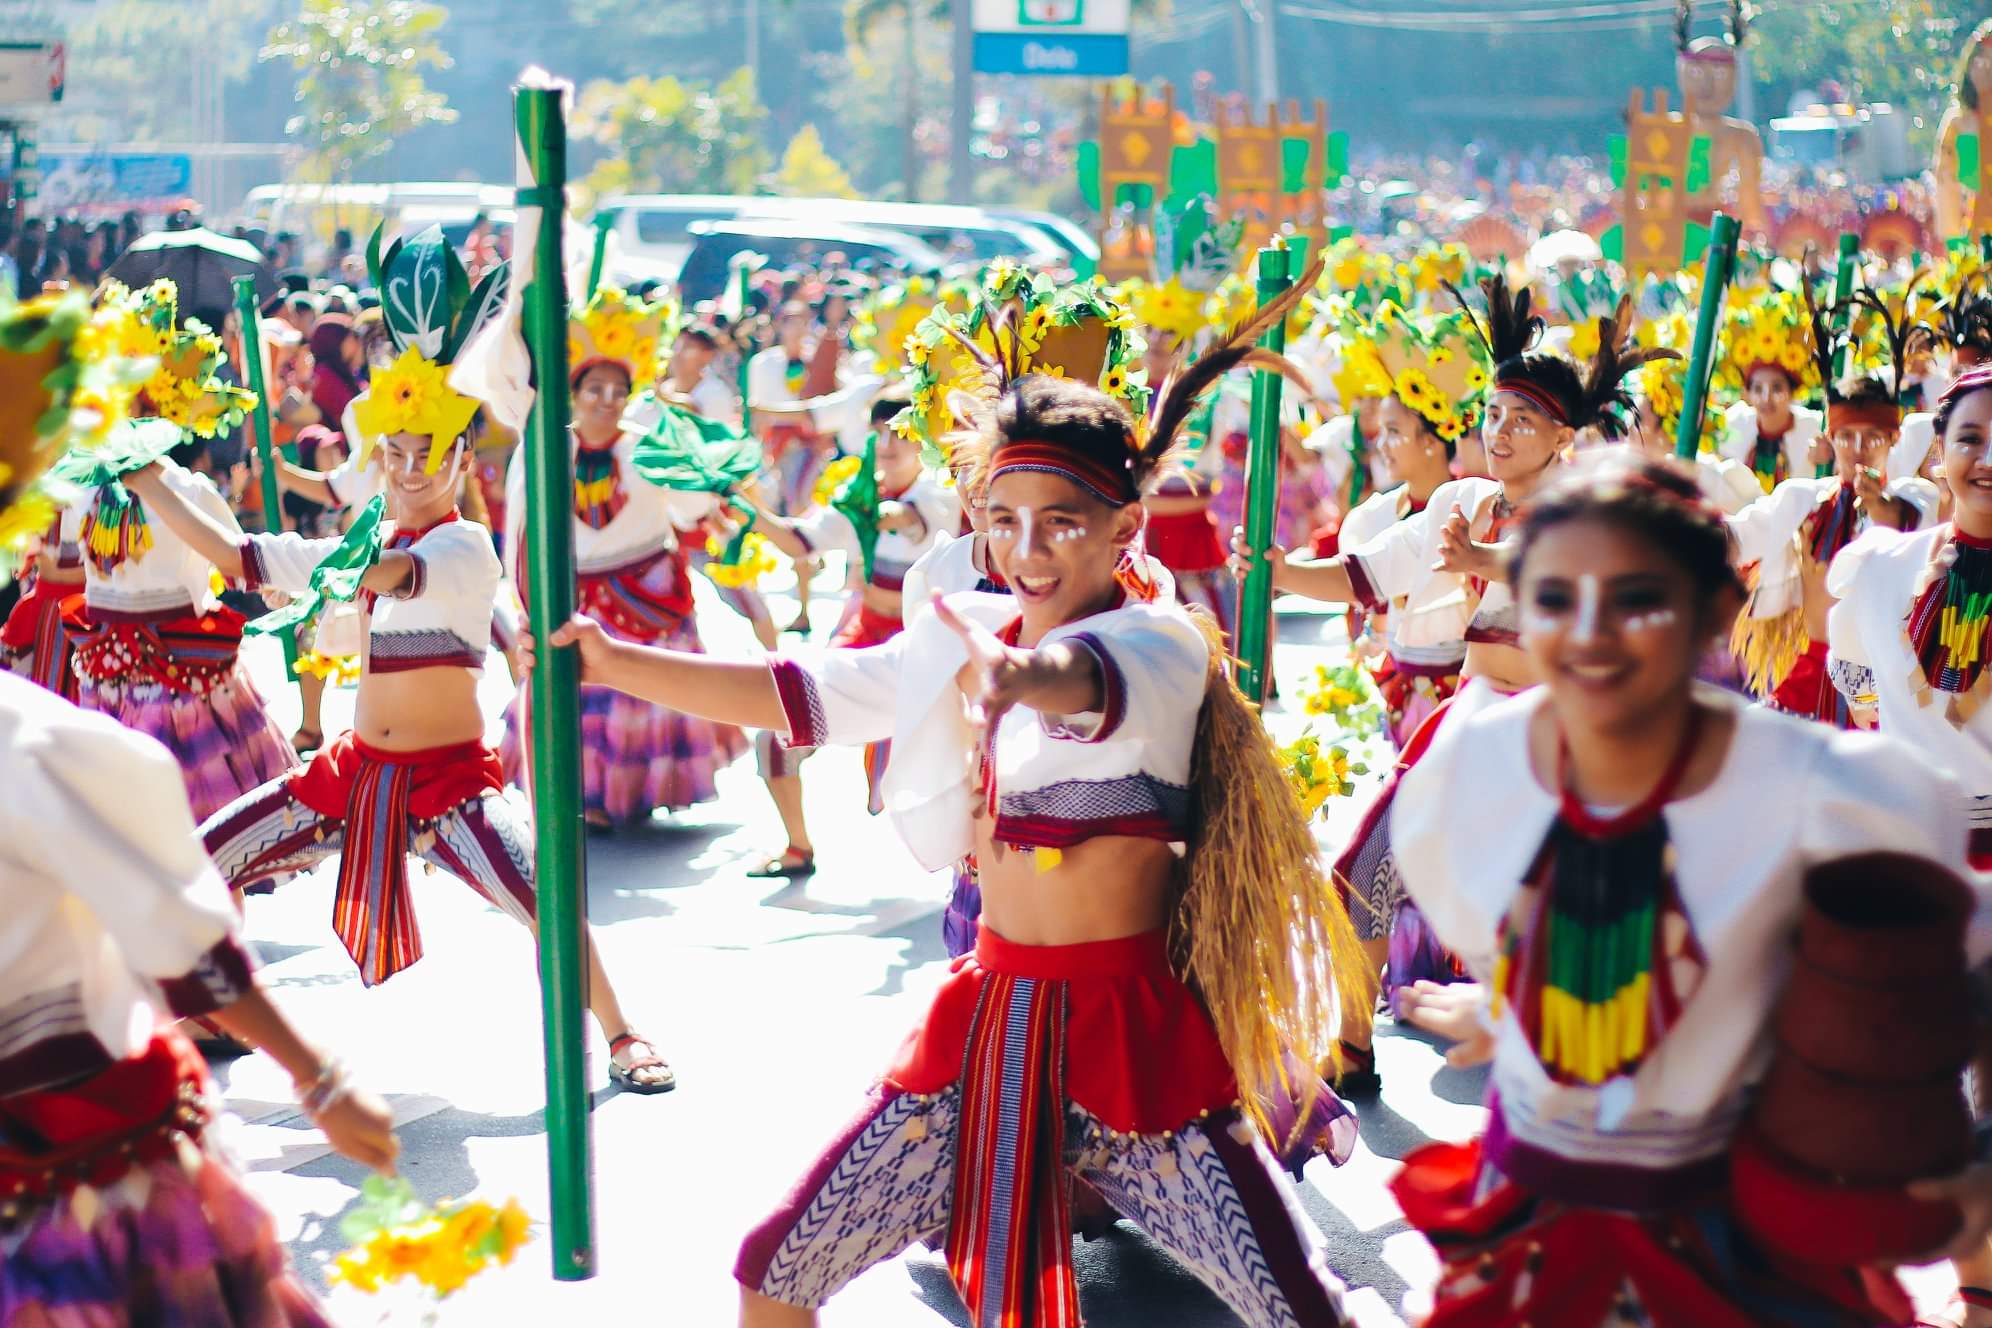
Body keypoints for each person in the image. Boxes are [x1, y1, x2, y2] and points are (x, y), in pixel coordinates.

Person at [526, 345, 1371, 1327]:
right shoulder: (958, 628)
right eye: (1006, 521)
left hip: (1137, 1038)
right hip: (990, 1024)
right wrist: (612, 658)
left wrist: (1016, 678)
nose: (1030, 548)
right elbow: (799, 694)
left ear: (1125, 525)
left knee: (1305, 1306)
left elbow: (1079, 676)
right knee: (775, 1262)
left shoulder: (1161, 641)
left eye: (1064, 521)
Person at [1387, 451, 1984, 1326]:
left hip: (1732, 1246)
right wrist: (1520, 1015)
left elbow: (1970, 961)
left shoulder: (1829, 793)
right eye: (1555, 598)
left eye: (1637, 598)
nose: (1589, 632)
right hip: (1528, 1226)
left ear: (1715, 608)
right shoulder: (1473, 767)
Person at [128, 229, 677, 1096]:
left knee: (547, 902)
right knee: (199, 861)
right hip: (352, 779)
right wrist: (147, 474)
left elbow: (382, 573)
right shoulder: (368, 535)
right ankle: (188, 1016)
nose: (411, 467)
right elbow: (239, 556)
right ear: (376, 457)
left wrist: (344, 562)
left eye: (429, 453)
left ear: (463, 457)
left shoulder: (465, 548)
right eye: (395, 453)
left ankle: (623, 1031)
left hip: (451, 784)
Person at [1236, 279, 1670, 1093]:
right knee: (1365, 868)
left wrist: (1486, 562)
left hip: (1562, 737)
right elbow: (1369, 572)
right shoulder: (1463, 502)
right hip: (1469, 721)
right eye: (1495, 413)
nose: (1500, 431)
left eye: (1524, 419)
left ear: (1565, 438)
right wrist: (1283, 570)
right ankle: (1352, 1043)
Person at [1825, 365, 1992, 1326]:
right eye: (1970, 437)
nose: (1987, 460)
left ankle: (1975, 1298)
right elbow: (1857, 689)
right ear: (1939, 451)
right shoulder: (1879, 567)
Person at [500, 284, 747, 830]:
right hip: (575, 593)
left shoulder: (648, 444)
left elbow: (688, 512)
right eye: (594, 387)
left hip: (647, 587)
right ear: (574, 391)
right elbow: (517, 527)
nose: (606, 399)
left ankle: (644, 789)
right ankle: (586, 798)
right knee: (585, 701)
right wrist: (526, 604)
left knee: (646, 698)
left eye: (617, 389)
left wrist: (704, 483)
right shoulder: (544, 448)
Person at [741, 397, 957, 876]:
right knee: (777, 734)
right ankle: (797, 847)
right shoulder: (860, 496)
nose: (888, 445)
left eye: (902, 434)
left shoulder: (938, 496)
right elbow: (798, 541)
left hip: (935, 655)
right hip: (868, 640)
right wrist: (744, 505)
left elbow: (902, 517)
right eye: (880, 433)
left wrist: (869, 512)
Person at [1726, 284, 1939, 723]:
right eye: (1846, 437)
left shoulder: (1916, 498)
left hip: (1886, 682)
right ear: (1829, 439)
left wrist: (1879, 507)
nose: (1858, 449)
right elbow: (1741, 534)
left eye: (1872, 438)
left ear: (1893, 439)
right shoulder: (1804, 499)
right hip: (1811, 672)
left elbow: (1903, 518)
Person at [1715, 287, 1824, 491]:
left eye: (1776, 388)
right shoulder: (1733, 423)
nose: (1766, 398)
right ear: (1746, 393)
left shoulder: (1814, 428)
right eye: (1757, 389)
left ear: (1792, 392)